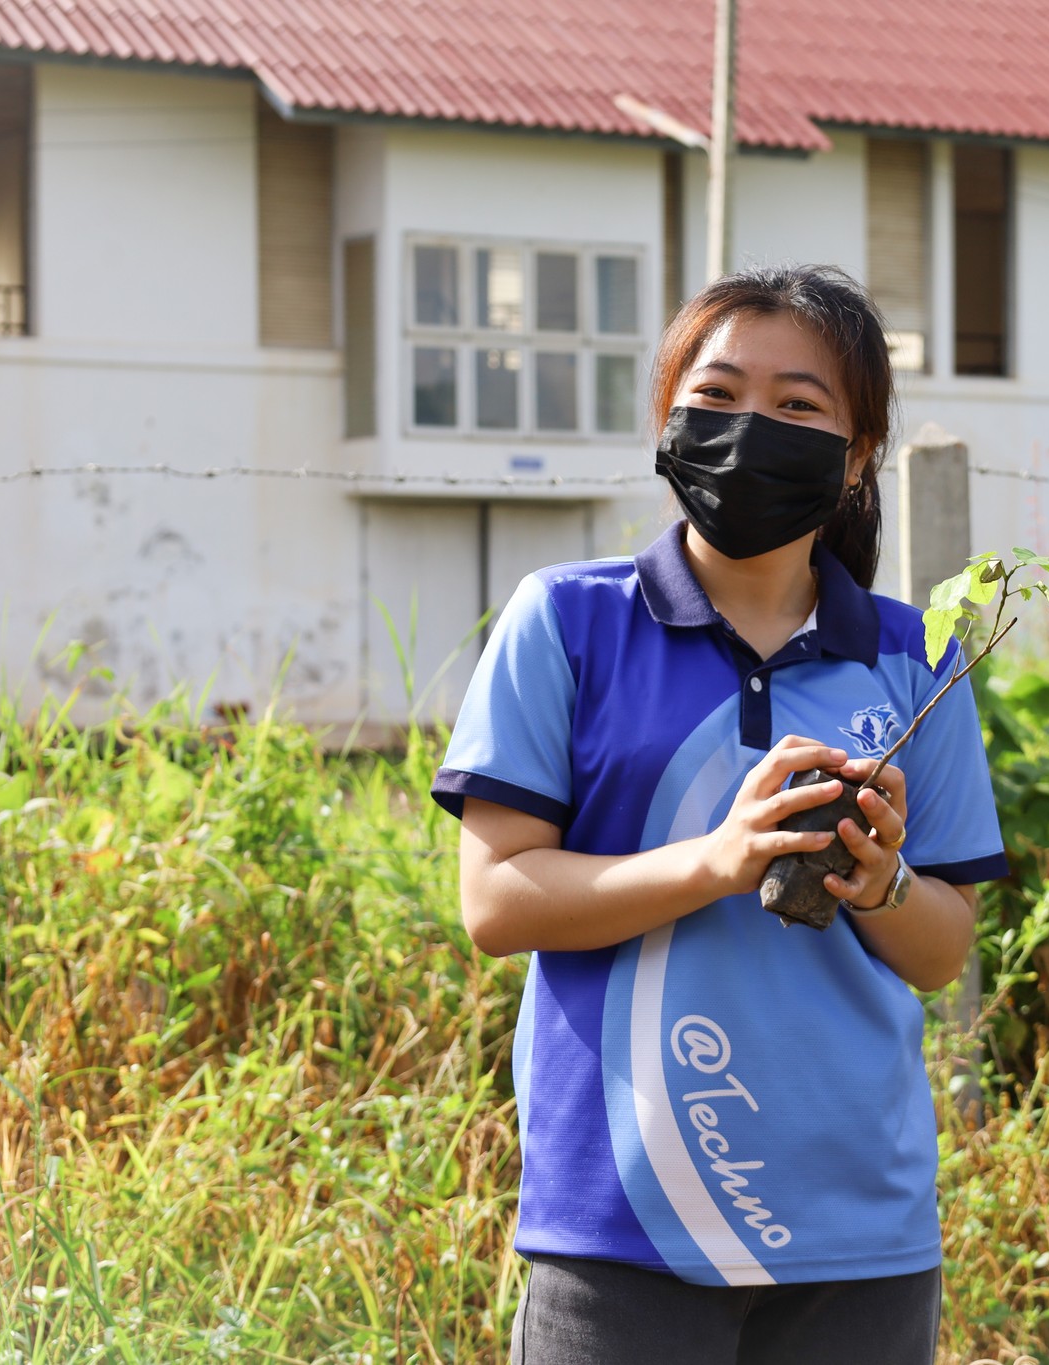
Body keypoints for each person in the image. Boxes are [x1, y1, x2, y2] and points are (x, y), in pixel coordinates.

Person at [431, 264, 1009, 1365]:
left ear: (853, 460)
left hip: (858, 1237)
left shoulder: (916, 659)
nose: (749, 431)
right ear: (665, 420)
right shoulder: (566, 622)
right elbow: (497, 900)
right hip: (620, 1230)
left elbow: (941, 954)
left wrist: (879, 880)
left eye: (797, 407)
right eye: (717, 395)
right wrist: (715, 860)